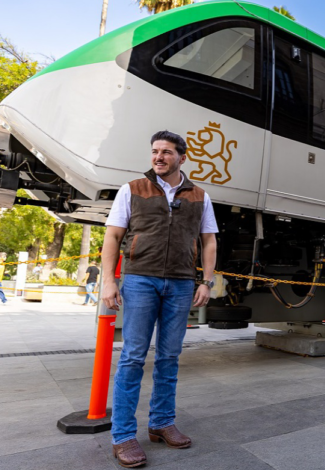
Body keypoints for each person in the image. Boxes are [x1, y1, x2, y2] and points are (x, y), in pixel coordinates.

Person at [102, 130, 217, 468]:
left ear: (182, 156)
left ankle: (161, 423)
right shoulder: (132, 189)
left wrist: (206, 281)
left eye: (167, 152)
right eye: (155, 151)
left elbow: (209, 241)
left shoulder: (199, 196)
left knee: (169, 357)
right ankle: (123, 436)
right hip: (140, 280)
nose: (159, 157)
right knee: (133, 357)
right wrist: (109, 280)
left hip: (181, 284)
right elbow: (113, 236)